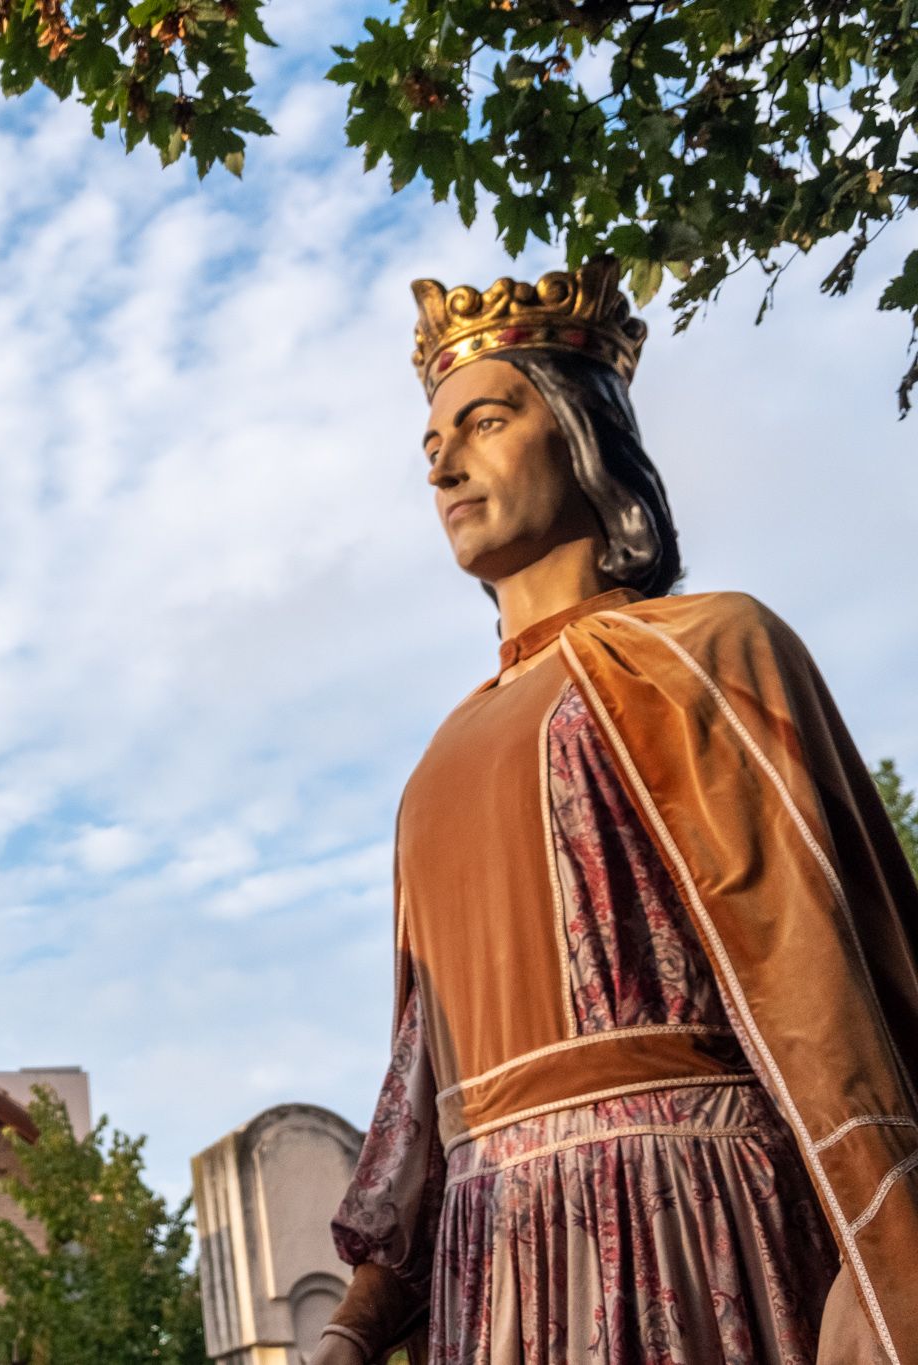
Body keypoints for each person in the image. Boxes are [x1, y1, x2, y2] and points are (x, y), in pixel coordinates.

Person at [313, 261, 918, 1365]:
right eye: (430, 445)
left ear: (585, 436)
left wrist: (882, 1268)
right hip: (486, 1275)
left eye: (484, 420)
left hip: (694, 1231)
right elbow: (416, 1082)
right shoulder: (433, 764)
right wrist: (358, 1318)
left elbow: (837, 997)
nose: (442, 461)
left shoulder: (708, 651)